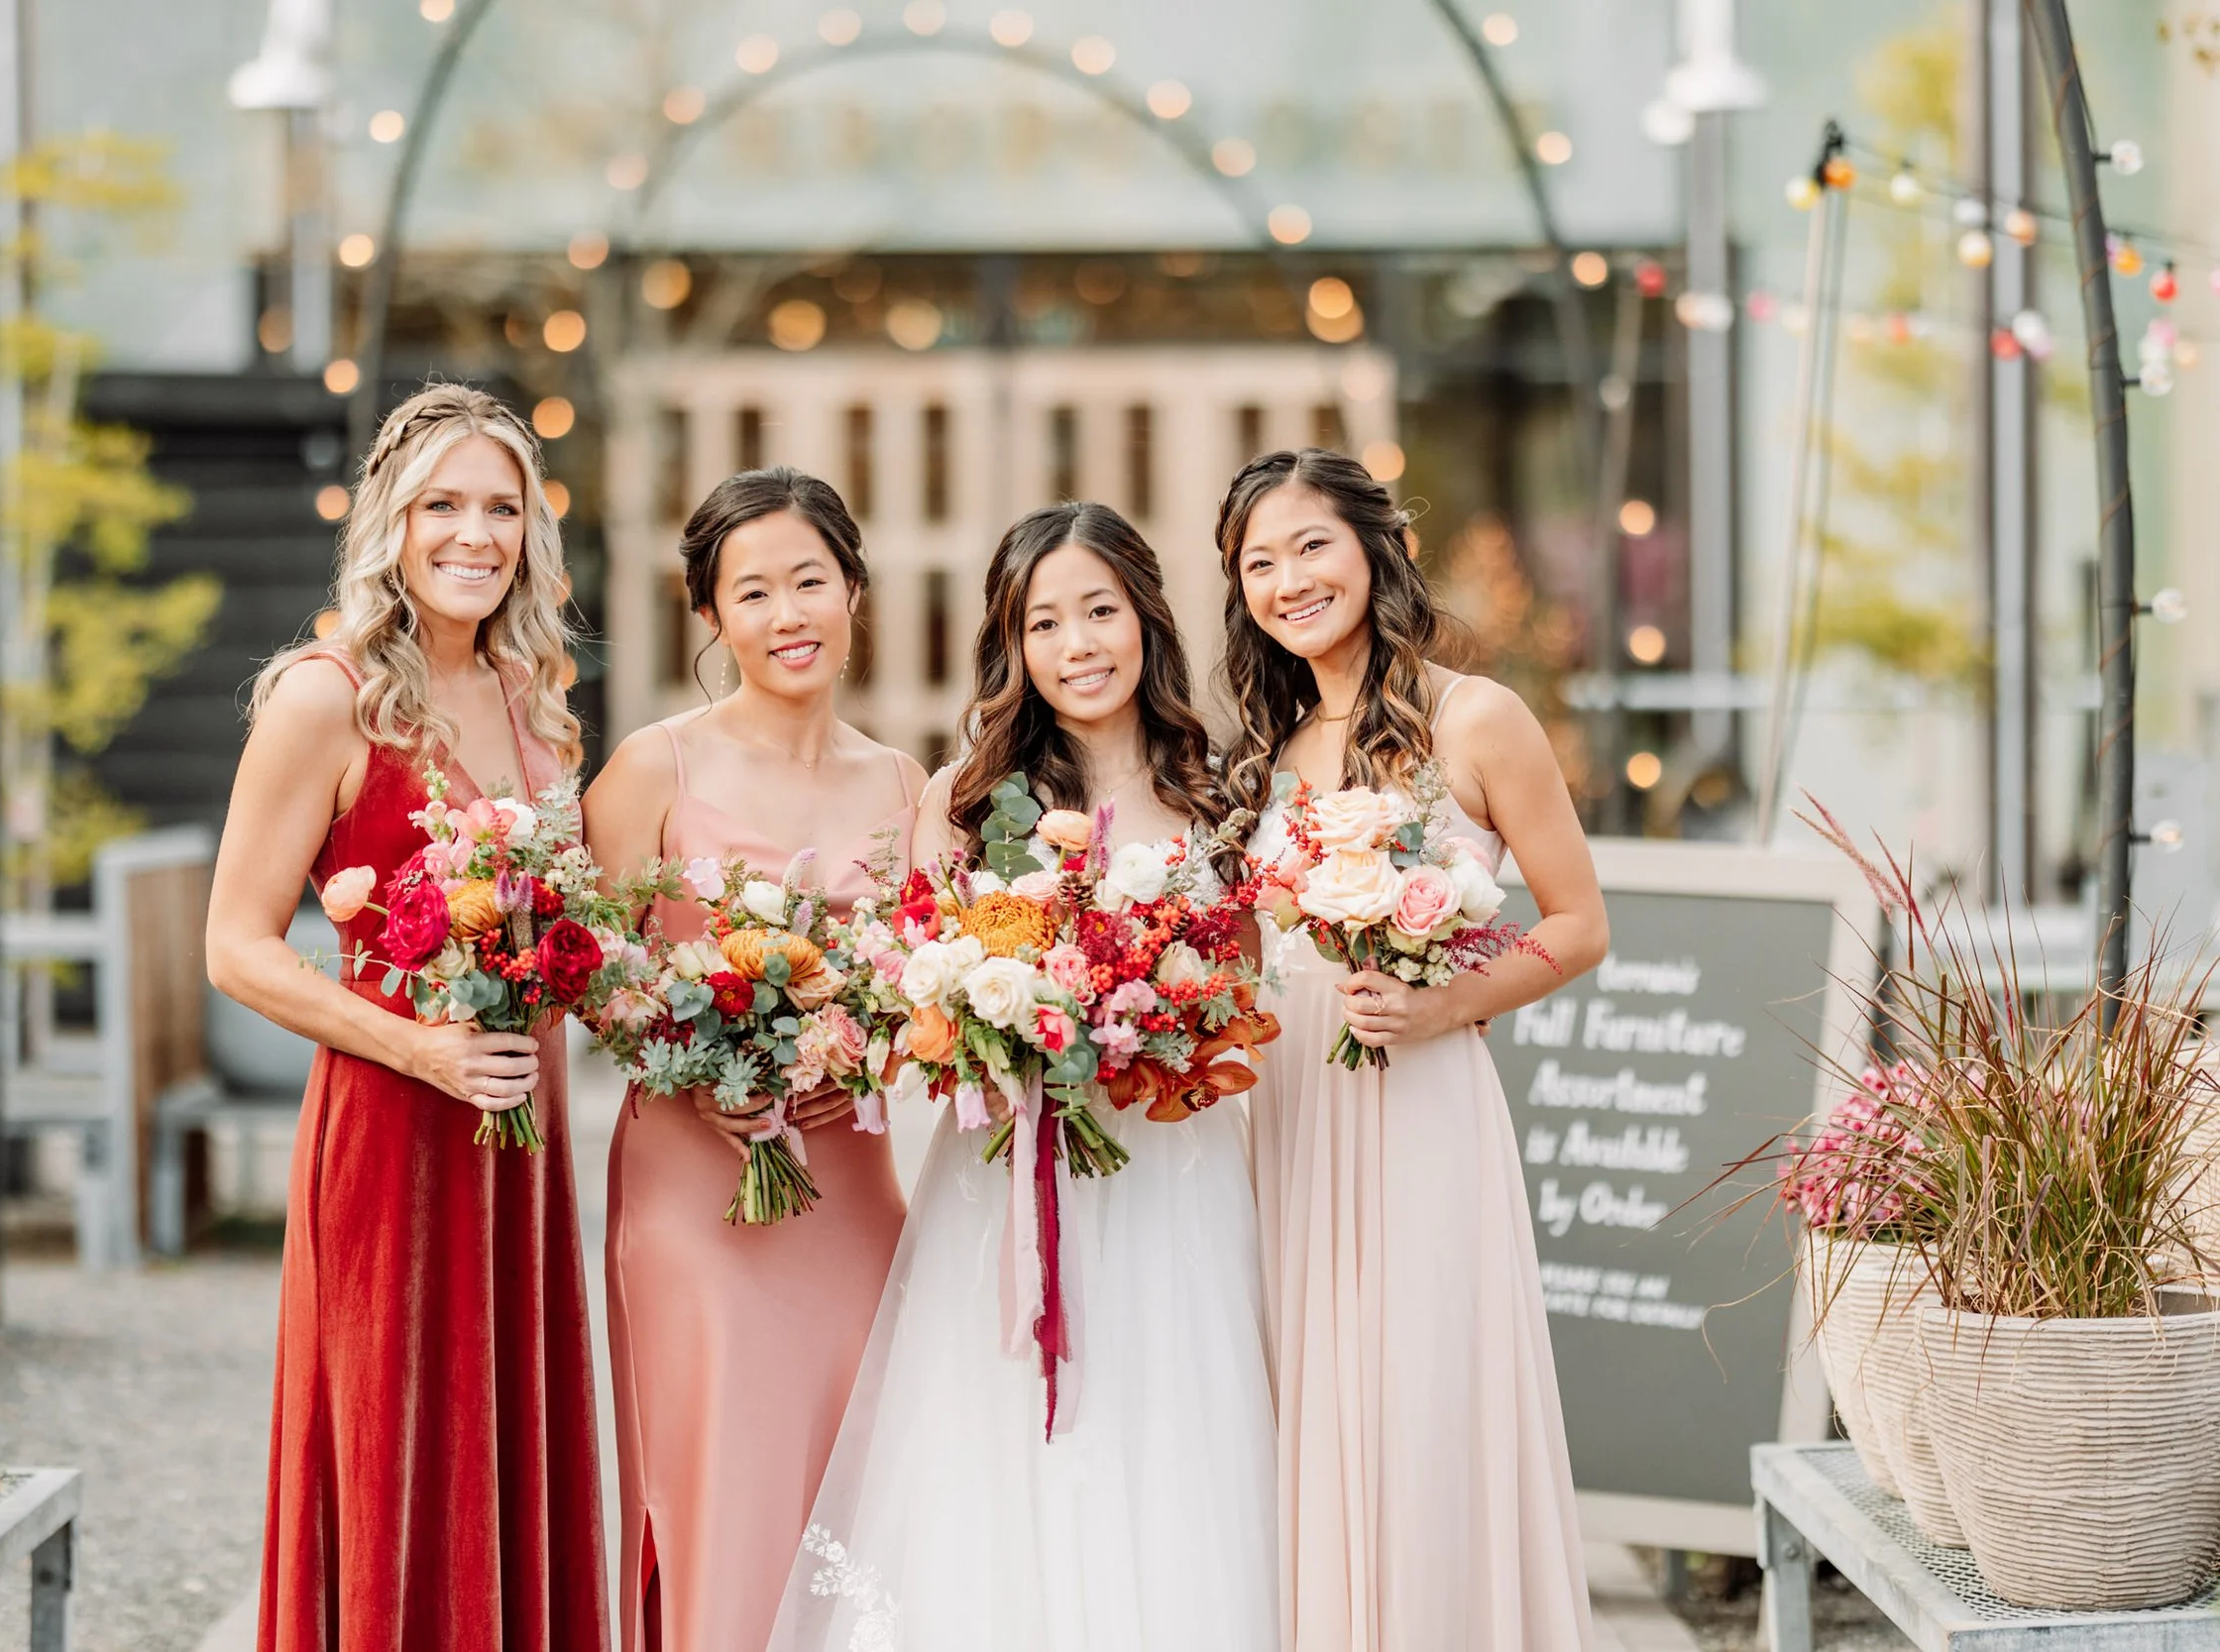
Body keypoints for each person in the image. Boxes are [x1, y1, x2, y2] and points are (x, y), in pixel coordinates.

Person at [766, 501, 1277, 1652]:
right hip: (1001, 1178)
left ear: (1145, 615)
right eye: (1044, 621)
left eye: (1100, 609)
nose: (1078, 643)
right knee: (990, 1452)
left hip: (1171, 1175)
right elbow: (914, 999)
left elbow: (1244, 993)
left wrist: (1159, 1024)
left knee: (1173, 1434)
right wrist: (998, 1031)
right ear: (1013, 643)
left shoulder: (1217, 794)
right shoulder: (966, 799)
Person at [209, 385, 608, 1651]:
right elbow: (233, 947)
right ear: (390, 517)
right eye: (444, 503)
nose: (474, 534)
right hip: (389, 1125)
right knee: (387, 1447)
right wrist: (418, 1044)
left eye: (501, 507)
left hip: (520, 1139)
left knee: (505, 1439)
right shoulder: (325, 698)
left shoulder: (535, 700)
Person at [1219, 448, 1608, 1652]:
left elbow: (1580, 923)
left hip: (1426, 1107)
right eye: (1258, 562)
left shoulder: (1476, 715)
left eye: (1309, 545)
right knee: (1313, 1398)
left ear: (1377, 547)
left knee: (1424, 1400)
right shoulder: (1259, 753)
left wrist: (1452, 1003)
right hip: (1291, 1116)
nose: (1289, 579)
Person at [581, 467, 922, 1652]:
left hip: (849, 1181)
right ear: (713, 618)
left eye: (810, 581)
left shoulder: (902, 784)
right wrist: (690, 1059)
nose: (789, 615)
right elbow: (593, 972)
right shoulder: (651, 766)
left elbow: (918, 985)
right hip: (692, 1182)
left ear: (854, 590)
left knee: (862, 1466)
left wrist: (864, 1040)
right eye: (755, 591)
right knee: (720, 1473)